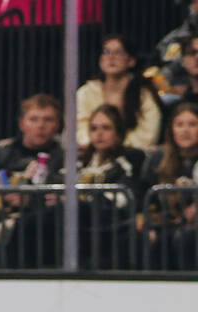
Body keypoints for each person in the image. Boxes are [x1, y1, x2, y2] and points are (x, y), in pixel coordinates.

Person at [0, 94, 66, 268]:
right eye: (33, 119)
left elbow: (62, 196)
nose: (41, 126)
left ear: (57, 125)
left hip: (39, 223)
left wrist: (31, 200)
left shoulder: (66, 157)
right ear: (22, 124)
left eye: (48, 120)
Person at [75, 104, 145, 268]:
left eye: (106, 128)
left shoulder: (131, 158)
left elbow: (128, 194)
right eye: (94, 128)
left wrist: (92, 199)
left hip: (112, 221)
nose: (99, 134)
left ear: (118, 132)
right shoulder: (80, 162)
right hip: (82, 223)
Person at [75, 35, 161, 150]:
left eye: (118, 52)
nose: (111, 57)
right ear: (100, 60)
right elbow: (79, 129)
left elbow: (147, 134)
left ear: (131, 61)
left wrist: (116, 148)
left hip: (131, 154)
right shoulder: (86, 92)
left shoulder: (144, 95)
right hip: (91, 153)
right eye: (106, 52)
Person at [143, 102, 198, 269]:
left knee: (185, 237)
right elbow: (144, 194)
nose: (185, 130)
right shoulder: (158, 158)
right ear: (171, 129)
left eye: (192, 124)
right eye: (179, 124)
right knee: (158, 239)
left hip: (192, 228)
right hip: (167, 224)